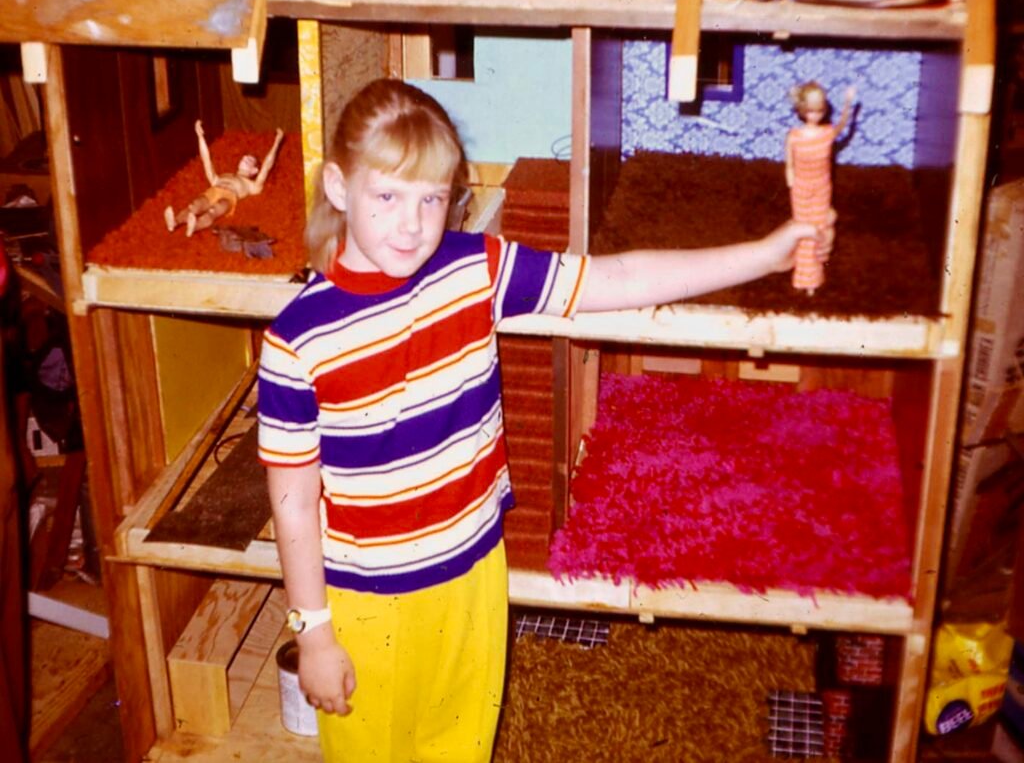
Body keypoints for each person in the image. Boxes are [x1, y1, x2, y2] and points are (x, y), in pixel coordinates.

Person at [257, 78, 831, 763]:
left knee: (460, 748)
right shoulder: (298, 339)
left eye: (432, 199)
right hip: (366, 601)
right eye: (387, 197)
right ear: (339, 188)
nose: (411, 225)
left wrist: (766, 252)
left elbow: (616, 279)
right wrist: (314, 632)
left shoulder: (475, 270)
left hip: (472, 574)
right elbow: (292, 504)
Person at [785, 81, 855, 294]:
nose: (814, 115)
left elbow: (842, 125)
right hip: (801, 189)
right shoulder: (794, 136)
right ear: (802, 110)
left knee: (819, 229)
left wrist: (848, 104)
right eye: (810, 111)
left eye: (819, 111)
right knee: (803, 231)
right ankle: (801, 277)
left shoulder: (826, 133)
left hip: (822, 188)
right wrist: (791, 183)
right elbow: (789, 164)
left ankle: (813, 279)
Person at [164, 120, 284, 237]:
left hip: (229, 197)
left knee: (213, 211)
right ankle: (175, 222)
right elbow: (206, 160)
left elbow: (267, 166)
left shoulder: (252, 185)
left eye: (249, 160)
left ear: (255, 171)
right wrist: (200, 136)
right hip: (215, 189)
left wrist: (277, 142)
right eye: (244, 158)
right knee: (194, 205)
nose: (244, 160)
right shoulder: (224, 176)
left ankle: (194, 227)